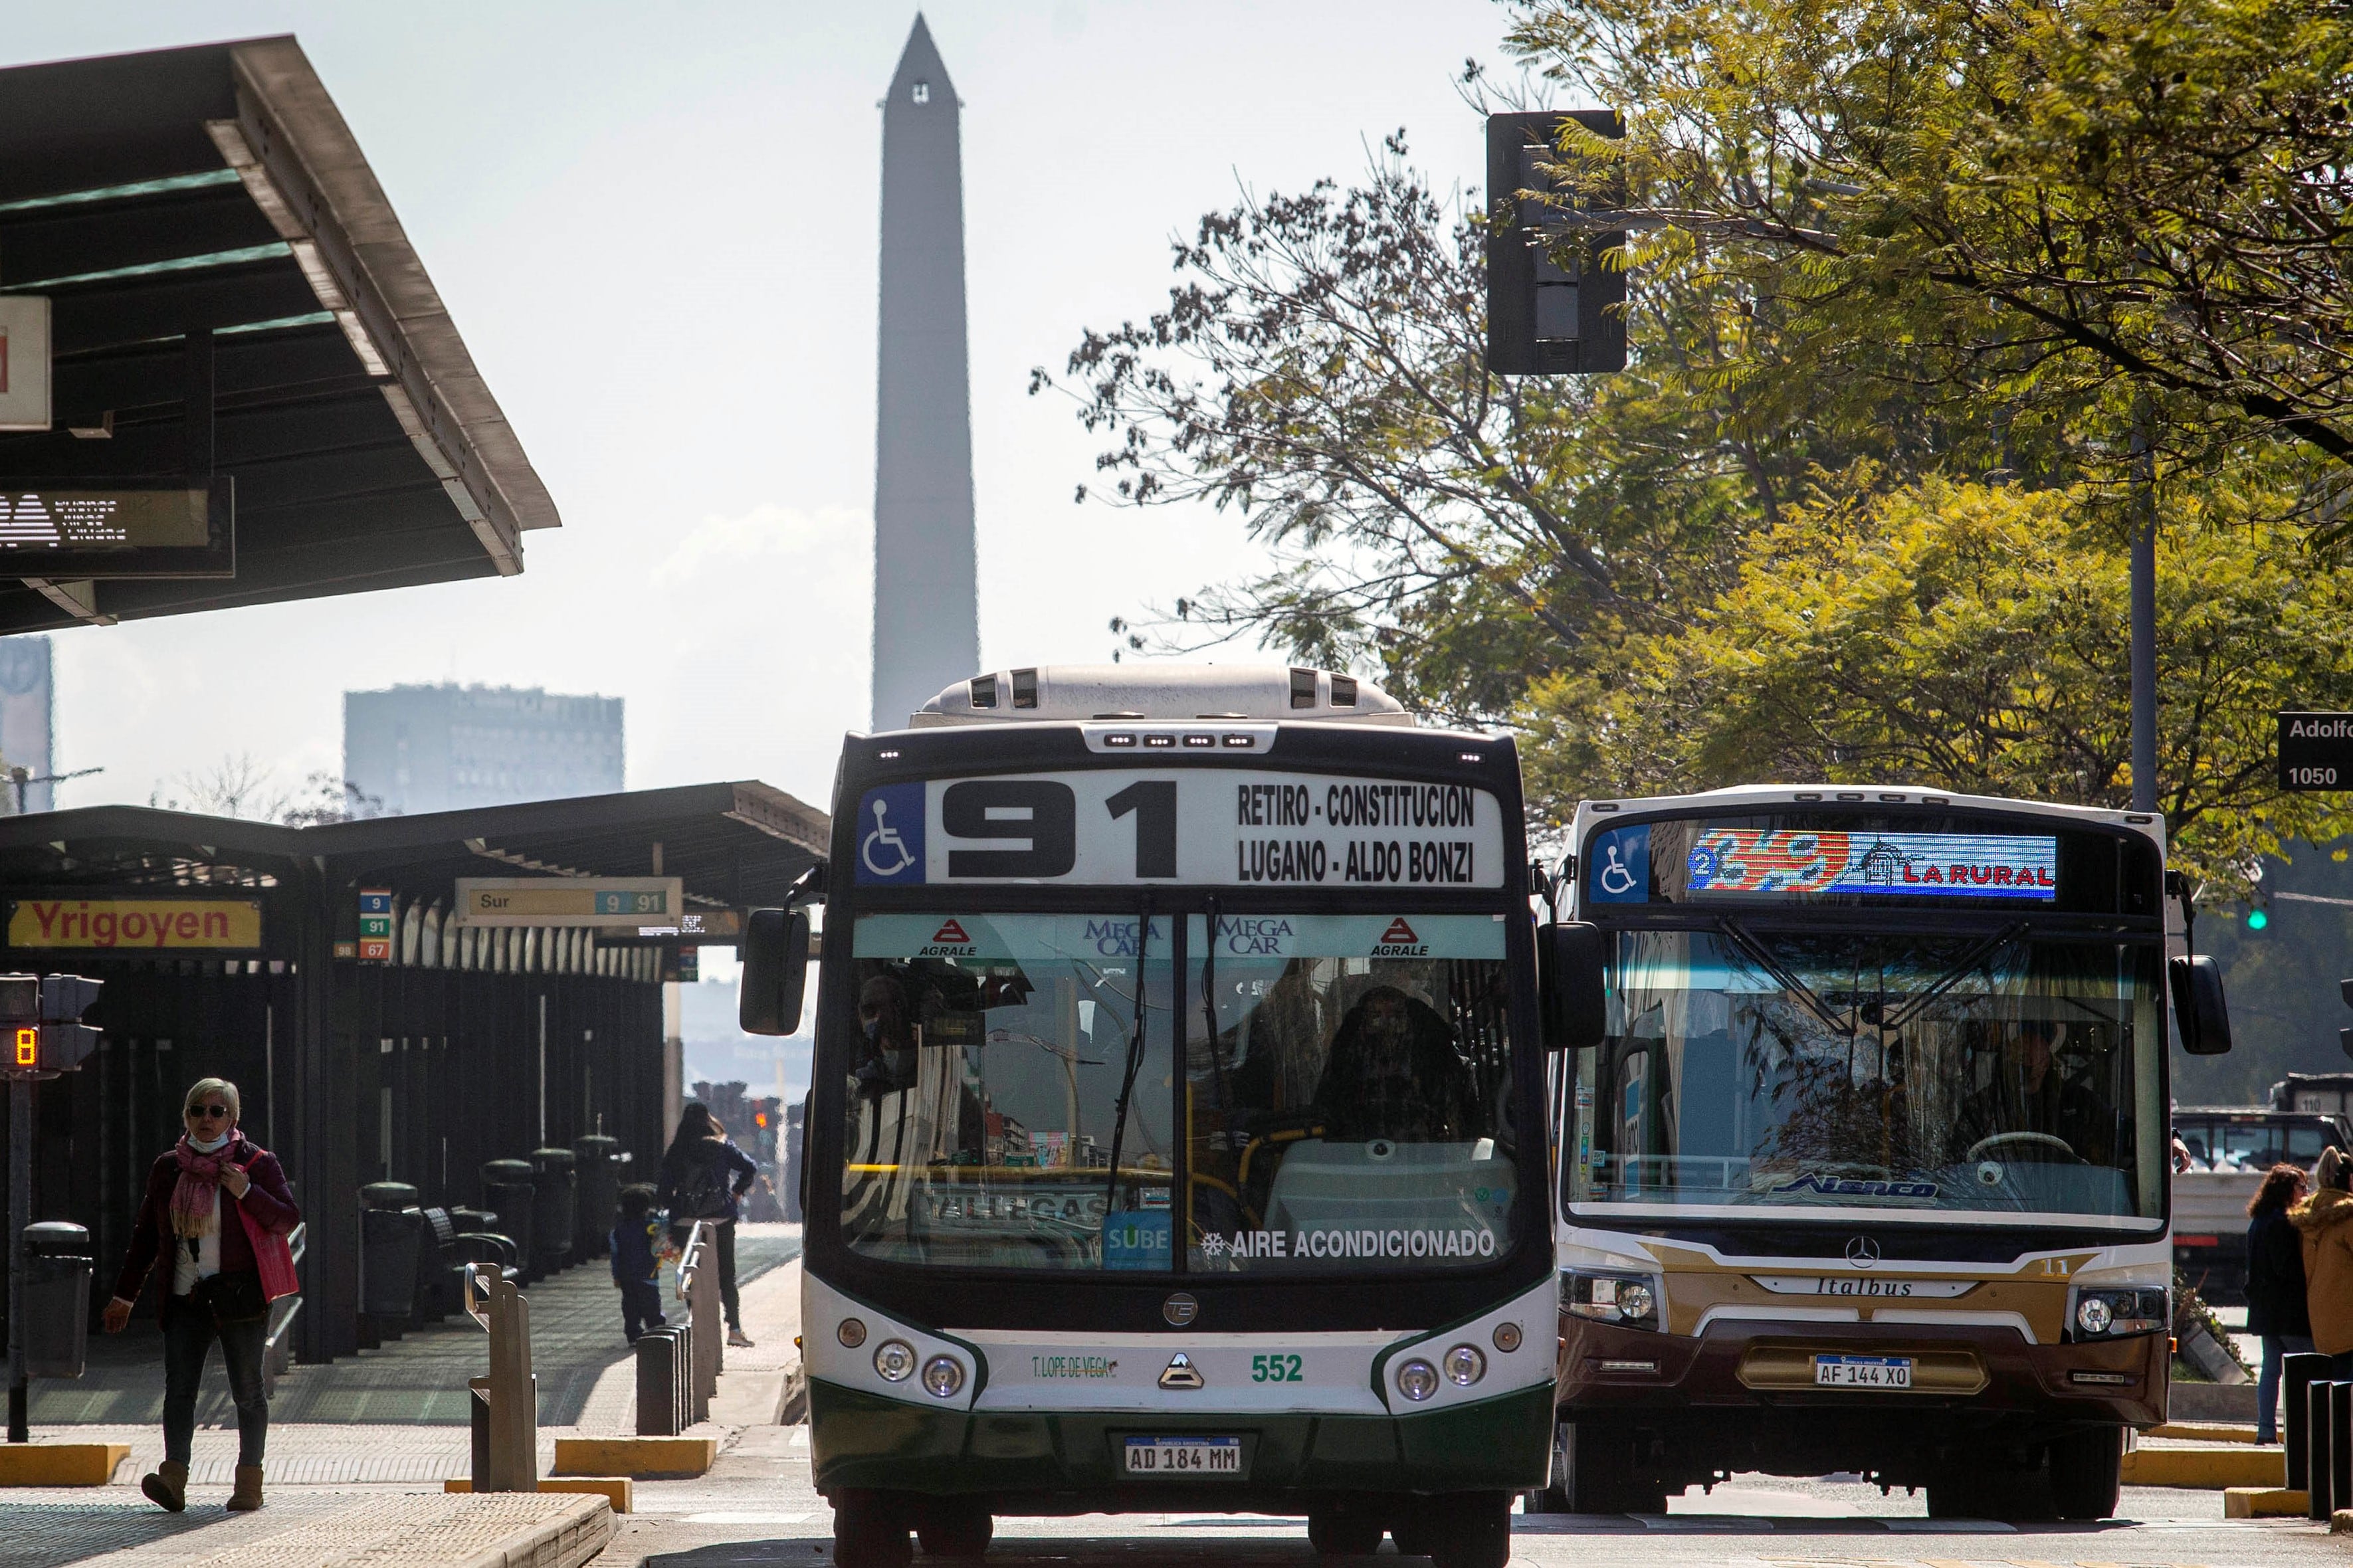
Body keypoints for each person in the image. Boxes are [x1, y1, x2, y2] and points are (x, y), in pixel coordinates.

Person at [100, 1077, 300, 1514]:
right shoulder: (168, 1167)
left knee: (247, 1390)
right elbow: (147, 1237)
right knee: (179, 1391)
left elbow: (286, 1218)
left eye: (216, 1112)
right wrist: (125, 1295)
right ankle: (173, 1477)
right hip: (185, 1295)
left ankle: (249, 1481)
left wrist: (244, 1190)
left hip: (241, 1296)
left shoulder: (256, 1163)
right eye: (197, 1111)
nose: (206, 1119)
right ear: (186, 1116)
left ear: (232, 1118)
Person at [1312, 984, 1473, 1143]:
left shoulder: (1430, 1061)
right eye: (1376, 1016)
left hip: (1422, 1156)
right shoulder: (1347, 1063)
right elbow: (1326, 1118)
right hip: (1356, 1157)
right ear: (1364, 1022)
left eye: (1395, 1015)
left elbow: (1457, 1119)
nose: (1387, 1023)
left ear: (1407, 1020)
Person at [657, 1103, 760, 1348]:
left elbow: (663, 1191)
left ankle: (697, 1326)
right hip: (721, 1219)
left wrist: (676, 1207)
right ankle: (734, 1329)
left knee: (691, 1273)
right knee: (727, 1275)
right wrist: (736, 1193)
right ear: (707, 1120)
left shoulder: (677, 1150)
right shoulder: (722, 1146)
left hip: (684, 1221)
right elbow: (750, 1167)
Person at [1947, 1017, 2113, 1166]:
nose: (2025, 1062)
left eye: (2032, 1055)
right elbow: (1960, 1159)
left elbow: (2102, 1163)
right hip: (1995, 1192)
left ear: (2047, 1061)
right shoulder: (1982, 1106)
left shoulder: (2081, 1104)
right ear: (2009, 1057)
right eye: (2020, 1055)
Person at [2247, 1163, 2315, 1443]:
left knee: (2271, 1370)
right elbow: (2286, 1267)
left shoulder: (2259, 1220)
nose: (2306, 1192)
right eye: (2301, 1187)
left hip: (2266, 1310)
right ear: (2287, 1190)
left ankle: (2266, 1430)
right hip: (2288, 1311)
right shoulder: (2282, 1222)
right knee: (2308, 1368)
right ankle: (2303, 1431)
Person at [2295, 1147, 2353, 1375]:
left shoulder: (2309, 1214)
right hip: (2349, 1319)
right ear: (2349, 1180)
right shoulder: (2348, 1216)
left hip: (2321, 1317)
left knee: (2334, 1394)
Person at [610, 1184, 668, 1345]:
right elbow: (660, 1249)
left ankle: (633, 1334)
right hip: (648, 1274)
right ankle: (656, 1331)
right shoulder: (652, 1227)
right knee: (651, 1307)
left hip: (626, 1276)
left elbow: (615, 1255)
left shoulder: (618, 1230)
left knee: (630, 1307)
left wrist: (616, 1276)